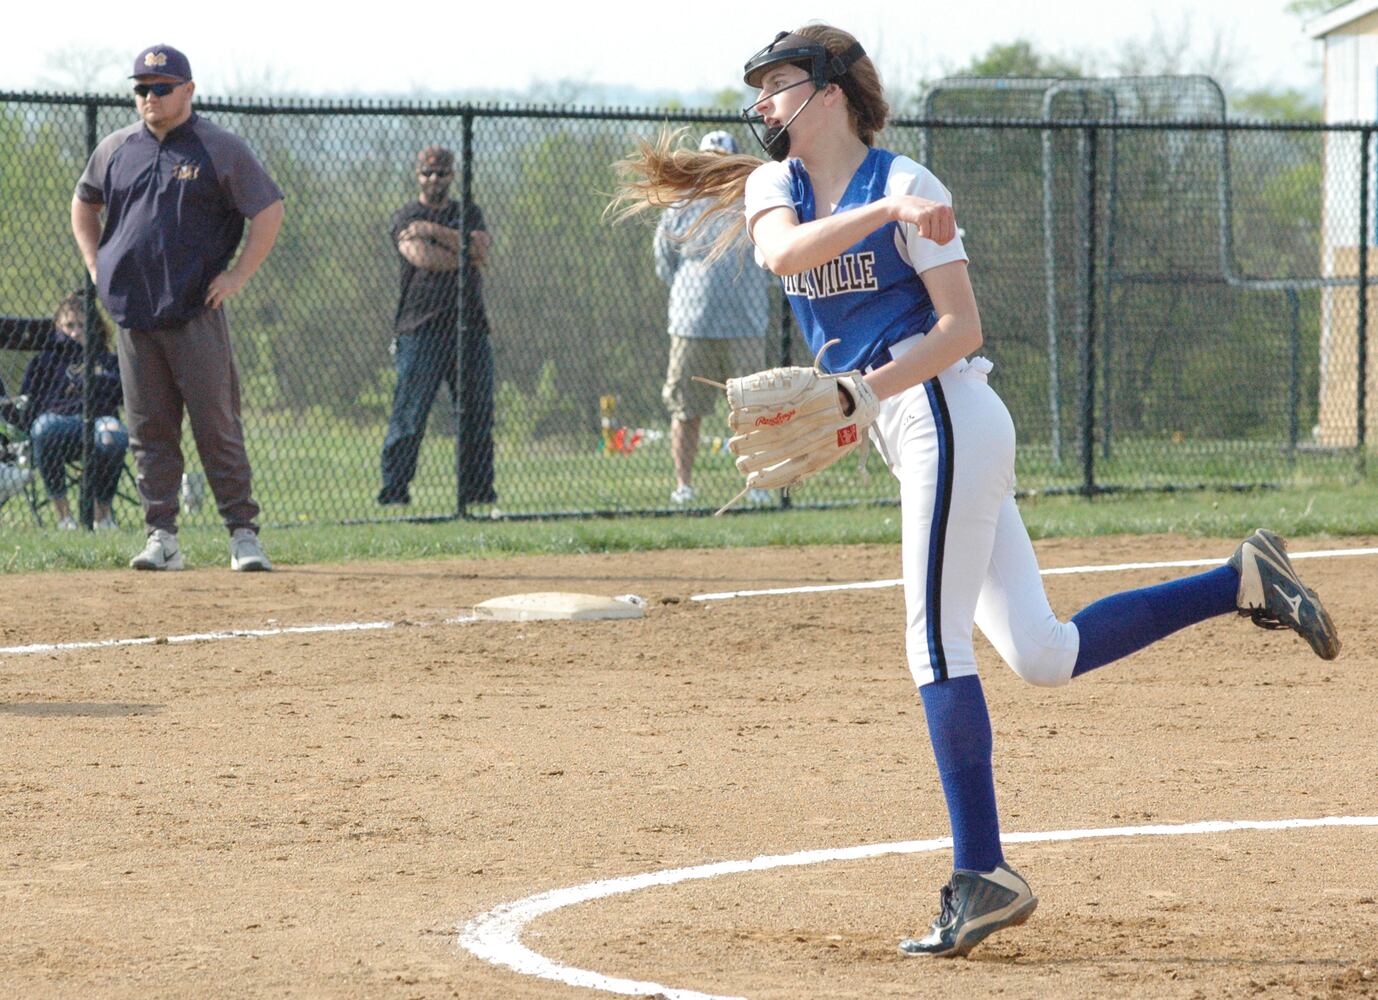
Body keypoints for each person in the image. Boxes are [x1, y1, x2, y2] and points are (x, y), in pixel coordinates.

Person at [610, 24, 1341, 959]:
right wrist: (880, 252)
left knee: (932, 641)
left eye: (780, 84)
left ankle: (982, 872)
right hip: (906, 422)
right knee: (1041, 651)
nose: (762, 103)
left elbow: (960, 328)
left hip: (944, 412)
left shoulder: (912, 184)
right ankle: (1238, 579)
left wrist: (870, 384)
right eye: (760, 87)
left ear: (831, 93)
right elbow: (783, 259)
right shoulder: (780, 186)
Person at [70, 43, 283, 572]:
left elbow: (269, 209)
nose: (150, 97)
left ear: (188, 90)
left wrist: (237, 276)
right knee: (149, 430)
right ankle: (161, 537)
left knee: (216, 425)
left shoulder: (219, 148)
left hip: (194, 311)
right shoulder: (117, 147)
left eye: (161, 88)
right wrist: (98, 267)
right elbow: (83, 202)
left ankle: (242, 534)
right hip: (134, 314)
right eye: (141, 89)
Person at [655, 131, 773, 507]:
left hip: (745, 324)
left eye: (721, 160)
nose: (713, 167)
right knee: (686, 409)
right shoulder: (680, 205)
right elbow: (665, 263)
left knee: (753, 409)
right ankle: (683, 487)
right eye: (707, 159)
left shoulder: (754, 204)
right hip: (692, 325)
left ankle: (757, 485)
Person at [378, 145, 496, 509]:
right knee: (410, 415)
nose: (435, 180)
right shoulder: (405, 214)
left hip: (470, 327)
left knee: (476, 414)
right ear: (418, 175)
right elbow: (420, 257)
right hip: (421, 329)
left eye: (442, 173)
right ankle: (395, 493)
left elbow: (481, 250)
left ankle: (476, 494)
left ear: (451, 175)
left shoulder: (467, 212)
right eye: (428, 173)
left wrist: (432, 231)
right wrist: (461, 250)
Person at [0, 293, 128, 529]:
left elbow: (121, 395)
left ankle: (103, 515)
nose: (76, 332)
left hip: (100, 422)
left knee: (115, 435)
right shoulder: (44, 361)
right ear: (58, 326)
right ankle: (65, 518)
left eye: (82, 325)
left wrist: (93, 379)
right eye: (69, 325)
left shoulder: (105, 359)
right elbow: (29, 403)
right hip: (59, 425)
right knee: (44, 428)